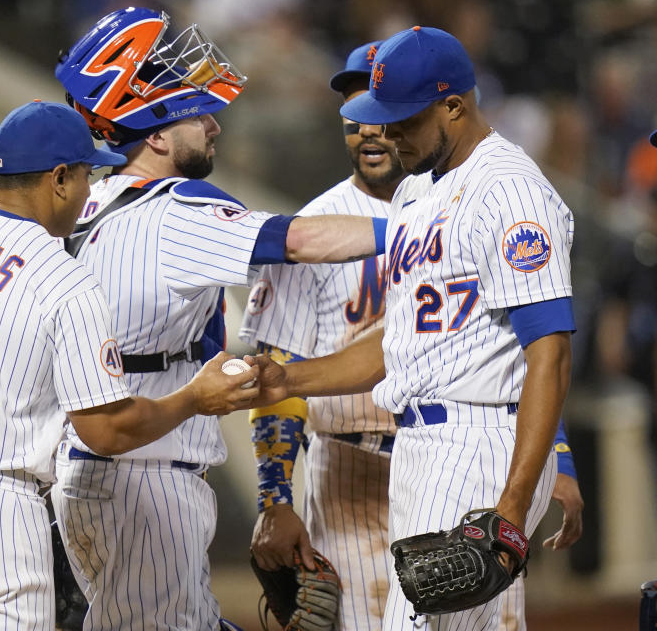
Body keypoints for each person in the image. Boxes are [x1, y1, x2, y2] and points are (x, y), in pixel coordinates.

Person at [0, 100, 262, 630]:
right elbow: (105, 429)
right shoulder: (61, 275)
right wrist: (194, 398)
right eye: (86, 175)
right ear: (59, 178)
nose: (89, 191)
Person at [241, 40, 583, 630]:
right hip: (419, 449)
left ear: (452, 106)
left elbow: (548, 354)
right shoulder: (416, 191)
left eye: (403, 120)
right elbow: (397, 343)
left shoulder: (509, 191)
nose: (387, 134)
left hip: (477, 445)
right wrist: (289, 378)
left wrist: (511, 507)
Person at [49, 7, 346, 631]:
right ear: (155, 136)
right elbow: (303, 240)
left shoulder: (82, 201)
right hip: (144, 471)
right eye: (195, 114)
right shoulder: (177, 206)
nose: (213, 126)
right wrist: (423, 232)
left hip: (81, 466)